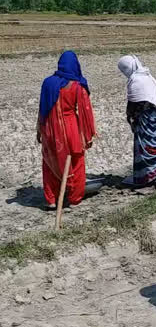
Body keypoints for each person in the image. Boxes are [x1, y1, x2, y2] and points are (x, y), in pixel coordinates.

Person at [37, 51, 97, 209]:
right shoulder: (77, 86)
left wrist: (39, 129)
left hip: (50, 128)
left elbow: (42, 109)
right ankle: (74, 198)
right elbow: (85, 112)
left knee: (50, 161)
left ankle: (51, 199)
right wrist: (88, 135)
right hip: (70, 128)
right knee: (76, 161)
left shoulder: (48, 83)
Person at [117, 55, 156, 188]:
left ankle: (146, 176)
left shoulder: (136, 81)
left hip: (149, 121)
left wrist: (129, 117)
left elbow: (133, 105)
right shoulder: (147, 76)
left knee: (148, 147)